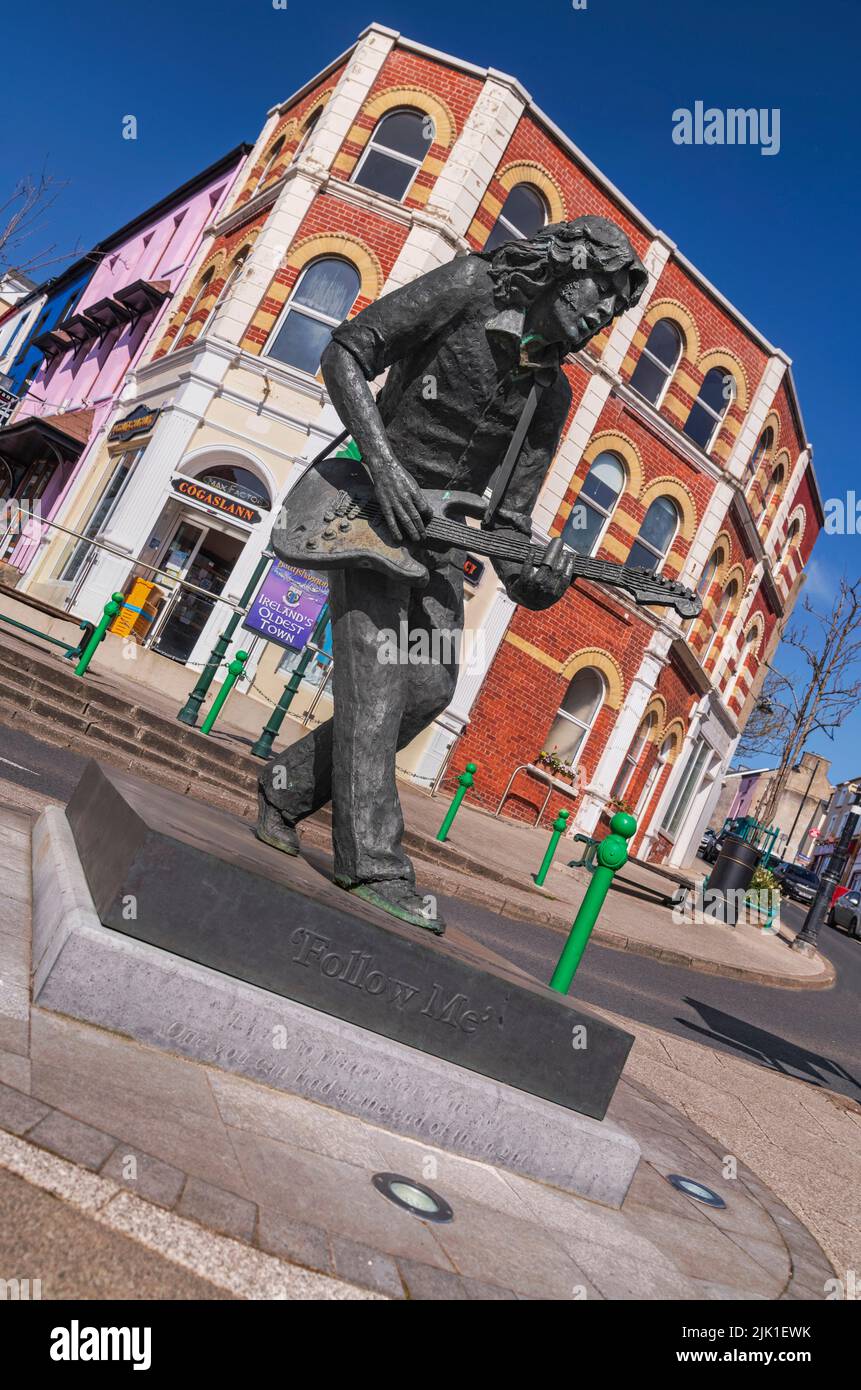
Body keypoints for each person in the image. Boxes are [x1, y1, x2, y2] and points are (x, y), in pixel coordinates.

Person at [257, 216, 647, 934]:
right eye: (597, 294)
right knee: (375, 690)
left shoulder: (550, 399)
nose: (598, 316)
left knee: (429, 690)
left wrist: (545, 581)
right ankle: (373, 864)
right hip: (365, 509)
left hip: (436, 544)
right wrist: (382, 463)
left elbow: (507, 528)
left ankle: (284, 788)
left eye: (611, 312)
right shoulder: (468, 285)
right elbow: (348, 351)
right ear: (562, 266)